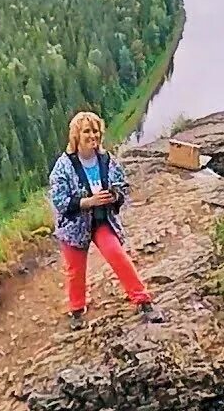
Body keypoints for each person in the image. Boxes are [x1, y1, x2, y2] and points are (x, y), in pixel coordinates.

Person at [48, 110, 165, 331]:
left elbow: (122, 185)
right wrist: (88, 202)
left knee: (117, 255)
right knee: (75, 269)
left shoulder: (106, 160)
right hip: (74, 226)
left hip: (102, 220)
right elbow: (60, 200)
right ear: (76, 135)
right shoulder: (63, 166)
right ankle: (76, 311)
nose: (92, 136)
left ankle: (143, 301)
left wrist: (115, 196)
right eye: (86, 131)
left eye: (95, 131)